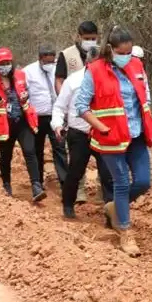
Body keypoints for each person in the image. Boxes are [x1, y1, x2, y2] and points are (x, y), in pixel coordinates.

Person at [76, 26, 152, 257]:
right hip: (110, 138)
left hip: (136, 134)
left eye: (130, 51)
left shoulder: (137, 66)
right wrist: (100, 126)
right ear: (111, 49)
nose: (127, 55)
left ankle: (114, 208)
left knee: (143, 181)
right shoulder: (94, 70)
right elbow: (82, 106)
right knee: (121, 182)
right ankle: (124, 231)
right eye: (123, 52)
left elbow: (145, 96)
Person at [52, 62, 114, 220]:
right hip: (79, 134)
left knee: (108, 173)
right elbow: (60, 107)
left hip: (103, 133)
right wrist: (58, 125)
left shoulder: (110, 79)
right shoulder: (73, 81)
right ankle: (67, 205)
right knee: (76, 172)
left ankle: (111, 214)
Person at [0, 47, 46, 201]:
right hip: (4, 124)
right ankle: (6, 185)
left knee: (30, 152)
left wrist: (25, 98)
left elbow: (27, 93)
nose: (5, 65)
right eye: (1, 63)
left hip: (22, 121)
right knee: (6, 156)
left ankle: (36, 186)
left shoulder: (21, 76)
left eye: (7, 62)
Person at [55, 21, 100, 202]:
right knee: (77, 159)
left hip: (96, 113)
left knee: (103, 159)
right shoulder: (67, 55)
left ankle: (102, 191)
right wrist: (65, 103)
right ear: (78, 36)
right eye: (86, 38)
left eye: (93, 38)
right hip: (75, 111)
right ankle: (78, 191)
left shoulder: (100, 54)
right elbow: (59, 79)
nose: (90, 41)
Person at [24, 45, 69, 189]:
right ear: (40, 58)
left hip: (55, 117)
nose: (50, 64)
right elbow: (24, 93)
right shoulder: (28, 72)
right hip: (36, 117)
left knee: (60, 148)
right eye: (47, 61)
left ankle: (64, 183)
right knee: (37, 149)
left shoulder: (58, 69)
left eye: (52, 61)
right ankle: (38, 182)